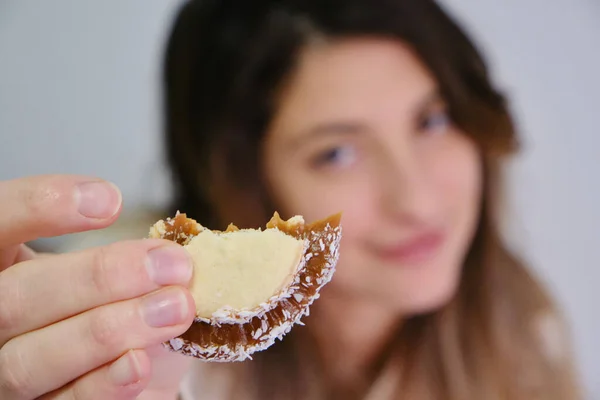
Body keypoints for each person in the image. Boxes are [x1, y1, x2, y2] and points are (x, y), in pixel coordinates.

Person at [0, 0, 582, 399]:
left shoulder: (521, 328)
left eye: (432, 120)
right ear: (238, 175)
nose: (419, 201)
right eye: (337, 154)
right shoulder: (125, 345)